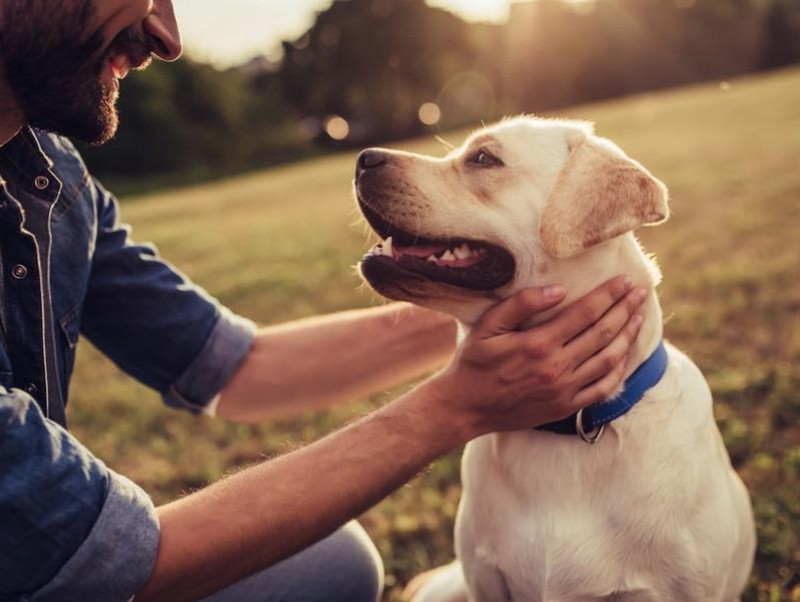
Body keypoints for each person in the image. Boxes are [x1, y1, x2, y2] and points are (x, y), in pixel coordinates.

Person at [0, 1, 648, 601]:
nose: (166, 37)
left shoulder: (50, 176)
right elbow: (96, 561)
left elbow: (235, 365)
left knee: (329, 563)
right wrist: (453, 406)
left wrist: (525, 302)